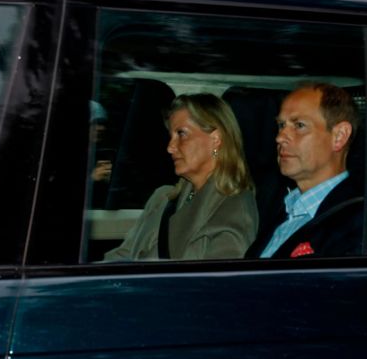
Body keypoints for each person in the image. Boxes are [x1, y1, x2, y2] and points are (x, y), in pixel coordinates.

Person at [104, 93, 258, 261]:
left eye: (181, 134)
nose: (170, 147)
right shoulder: (162, 199)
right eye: (171, 136)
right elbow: (121, 257)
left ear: (215, 139)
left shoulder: (234, 208)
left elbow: (217, 283)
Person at [248, 82, 363, 258]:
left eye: (299, 125)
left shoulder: (360, 219)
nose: (280, 138)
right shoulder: (279, 207)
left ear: (339, 136)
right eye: (281, 125)